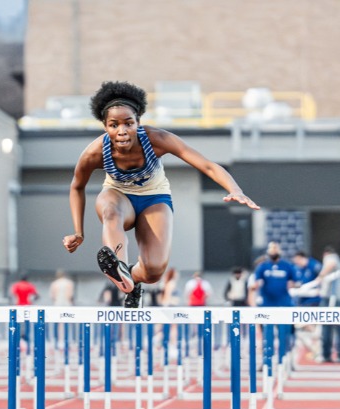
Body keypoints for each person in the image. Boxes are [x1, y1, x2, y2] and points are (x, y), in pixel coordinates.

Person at [62, 81, 259, 308]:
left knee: (154, 271)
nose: (122, 131)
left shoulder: (156, 139)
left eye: (128, 123)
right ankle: (118, 265)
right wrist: (78, 232)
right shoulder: (95, 152)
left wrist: (235, 189)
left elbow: (206, 165)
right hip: (118, 196)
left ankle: (131, 279)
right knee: (110, 211)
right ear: (105, 127)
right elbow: (77, 186)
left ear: (138, 122)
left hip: (154, 199)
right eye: (114, 125)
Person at [316, 246, 340, 363]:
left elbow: (330, 263)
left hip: (335, 299)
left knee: (328, 327)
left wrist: (319, 278)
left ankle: (326, 354)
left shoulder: (332, 258)